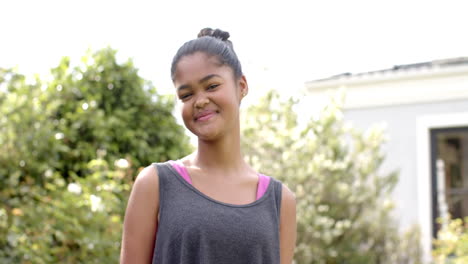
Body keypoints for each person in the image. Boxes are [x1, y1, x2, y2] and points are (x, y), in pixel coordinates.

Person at [120, 28, 297, 264]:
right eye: (186, 94)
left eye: (212, 86)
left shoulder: (280, 200)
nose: (200, 101)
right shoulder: (155, 183)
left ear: (241, 86)